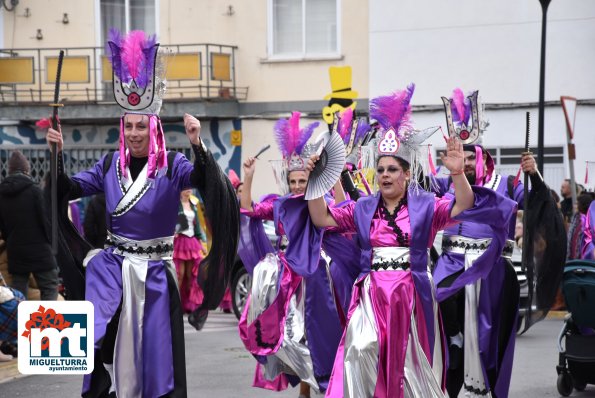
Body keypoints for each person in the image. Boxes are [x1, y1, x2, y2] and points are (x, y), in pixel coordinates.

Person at [45, 29, 239, 397]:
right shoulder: (108, 166)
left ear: (154, 129)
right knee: (100, 344)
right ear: (122, 128)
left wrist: (198, 143)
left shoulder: (174, 166)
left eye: (141, 126)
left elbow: (203, 179)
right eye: (128, 126)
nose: (134, 133)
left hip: (155, 278)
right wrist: (57, 154)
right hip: (113, 275)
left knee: (157, 362)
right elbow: (69, 190)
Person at [307, 84, 515, 398]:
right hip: (371, 295)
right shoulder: (363, 207)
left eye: (392, 169)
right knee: (359, 350)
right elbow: (322, 218)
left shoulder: (426, 205)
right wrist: (316, 183)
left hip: (412, 294)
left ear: (406, 173)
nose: (385, 175)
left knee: (410, 370)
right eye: (380, 169)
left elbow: (463, 205)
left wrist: (458, 173)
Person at [433, 88, 563, 397]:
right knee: (436, 305)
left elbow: (534, 202)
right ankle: (449, 360)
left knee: (490, 338)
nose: (463, 163)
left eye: (468, 157)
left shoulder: (504, 184)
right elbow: (413, 194)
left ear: (481, 157)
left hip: (490, 268)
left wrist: (534, 176)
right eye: (458, 156)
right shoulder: (444, 185)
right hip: (451, 265)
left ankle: (487, 383)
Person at [237, 112, 343, 398]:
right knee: (291, 335)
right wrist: (248, 177)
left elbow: (344, 212)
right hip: (288, 279)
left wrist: (332, 177)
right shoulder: (280, 203)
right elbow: (248, 210)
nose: (297, 186)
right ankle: (305, 386)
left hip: (318, 275)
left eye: (302, 181)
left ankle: (314, 386)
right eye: (293, 181)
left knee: (316, 333)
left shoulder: (323, 203)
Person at [0, 151, 59, 301]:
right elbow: (46, 221)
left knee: (19, 292)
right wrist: (51, 244)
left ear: (10, 170)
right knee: (50, 287)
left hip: (16, 251)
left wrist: (11, 240)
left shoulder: (2, 194)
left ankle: (20, 323)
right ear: (27, 170)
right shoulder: (35, 191)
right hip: (40, 251)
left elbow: (3, 227)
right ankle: (48, 323)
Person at [174, 189, 207, 313]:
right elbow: (172, 221)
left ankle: (188, 303)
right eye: (186, 188)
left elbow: (196, 225)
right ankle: (176, 302)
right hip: (180, 241)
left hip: (191, 241)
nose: (188, 191)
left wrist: (201, 243)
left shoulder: (193, 205)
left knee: (190, 275)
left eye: (190, 188)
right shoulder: (176, 204)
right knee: (179, 274)